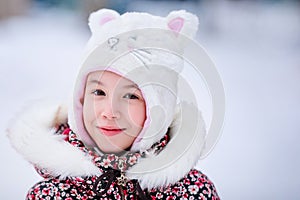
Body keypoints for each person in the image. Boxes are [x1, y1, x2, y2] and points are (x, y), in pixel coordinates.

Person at [7, 8, 220, 199]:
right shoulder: (52, 195)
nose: (109, 112)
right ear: (80, 100)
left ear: (160, 109)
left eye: (131, 96)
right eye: (99, 92)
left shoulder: (192, 191)